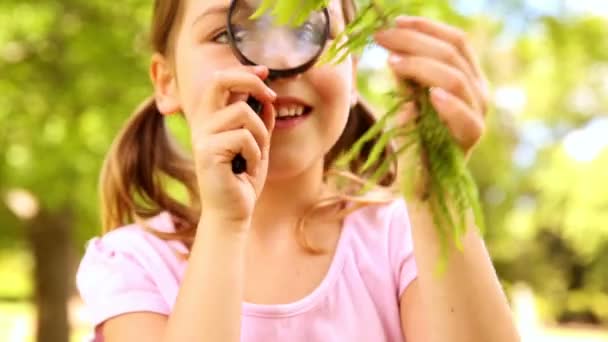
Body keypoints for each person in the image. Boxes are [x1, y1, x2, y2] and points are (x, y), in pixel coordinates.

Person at [75, 0, 520, 341]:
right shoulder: (132, 264)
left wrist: (434, 197)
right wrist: (225, 224)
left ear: (352, 66)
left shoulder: (403, 239)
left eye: (307, 27)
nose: (278, 64)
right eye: (230, 35)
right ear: (166, 81)